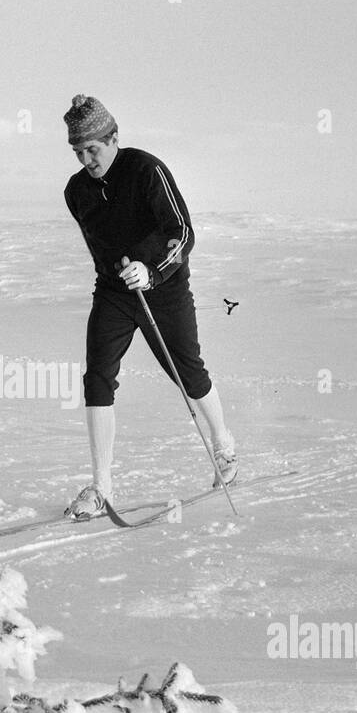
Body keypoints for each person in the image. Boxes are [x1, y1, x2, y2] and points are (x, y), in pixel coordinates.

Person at [61, 94, 237, 519]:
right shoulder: (76, 191)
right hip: (114, 293)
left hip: (164, 289)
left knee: (188, 373)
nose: (87, 159)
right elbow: (98, 246)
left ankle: (224, 447)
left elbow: (183, 233)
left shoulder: (146, 170)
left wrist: (151, 270)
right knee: (97, 377)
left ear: (114, 138)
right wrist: (117, 275)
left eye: (94, 149)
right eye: (79, 151)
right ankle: (101, 487)